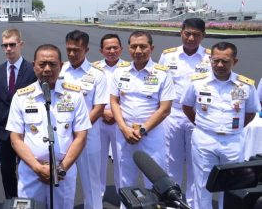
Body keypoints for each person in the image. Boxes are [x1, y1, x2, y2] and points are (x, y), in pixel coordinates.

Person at [6, 44, 91, 208]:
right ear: (33, 66)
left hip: (63, 172)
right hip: (31, 172)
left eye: (52, 64)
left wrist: (60, 170)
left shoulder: (74, 95)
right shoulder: (22, 96)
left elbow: (81, 136)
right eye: (42, 64)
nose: (47, 69)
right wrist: (38, 168)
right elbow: (16, 139)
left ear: (61, 66)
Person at [182, 42, 261, 209]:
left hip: (232, 141)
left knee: (231, 186)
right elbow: (187, 106)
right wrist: (202, 125)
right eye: (215, 60)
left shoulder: (245, 85)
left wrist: (235, 128)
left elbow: (251, 112)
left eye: (225, 61)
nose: (219, 65)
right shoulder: (197, 82)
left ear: (235, 61)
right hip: (204, 138)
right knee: (202, 183)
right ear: (210, 60)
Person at [110, 30, 175, 191]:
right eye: (134, 46)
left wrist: (143, 130)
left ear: (151, 48)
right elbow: (114, 102)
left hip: (151, 134)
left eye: (143, 46)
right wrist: (124, 128)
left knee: (155, 181)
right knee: (125, 178)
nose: (138, 51)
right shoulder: (119, 72)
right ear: (128, 48)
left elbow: (165, 109)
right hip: (125, 134)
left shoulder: (162, 73)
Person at [158, 18, 211, 205]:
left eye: (196, 35)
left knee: (197, 162)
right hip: (173, 114)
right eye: (187, 33)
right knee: (172, 160)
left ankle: (193, 201)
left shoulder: (210, 58)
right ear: (181, 32)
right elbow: (160, 84)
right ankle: (173, 199)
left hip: (198, 116)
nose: (191, 38)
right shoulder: (168, 56)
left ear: (203, 36)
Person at [60, 30, 107, 209]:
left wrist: (78, 129)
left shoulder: (97, 74)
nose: (72, 54)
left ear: (86, 50)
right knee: (62, 182)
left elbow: (99, 108)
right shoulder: (61, 69)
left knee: (92, 184)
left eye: (77, 50)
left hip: (88, 137)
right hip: (63, 137)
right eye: (69, 49)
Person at [0, 29, 36, 199]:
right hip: (4, 131)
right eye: (5, 45)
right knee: (7, 171)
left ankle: (28, 200)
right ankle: (11, 201)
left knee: (27, 170)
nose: (8, 49)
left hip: (27, 132)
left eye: (12, 45)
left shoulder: (32, 69)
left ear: (20, 45)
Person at [93, 33, 125, 198]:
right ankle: (97, 196)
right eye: (108, 48)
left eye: (115, 47)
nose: (112, 51)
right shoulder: (93, 69)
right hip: (99, 120)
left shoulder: (129, 68)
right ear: (101, 50)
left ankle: (124, 198)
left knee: (121, 162)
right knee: (98, 162)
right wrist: (102, 113)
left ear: (121, 49)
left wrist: (116, 114)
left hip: (121, 122)